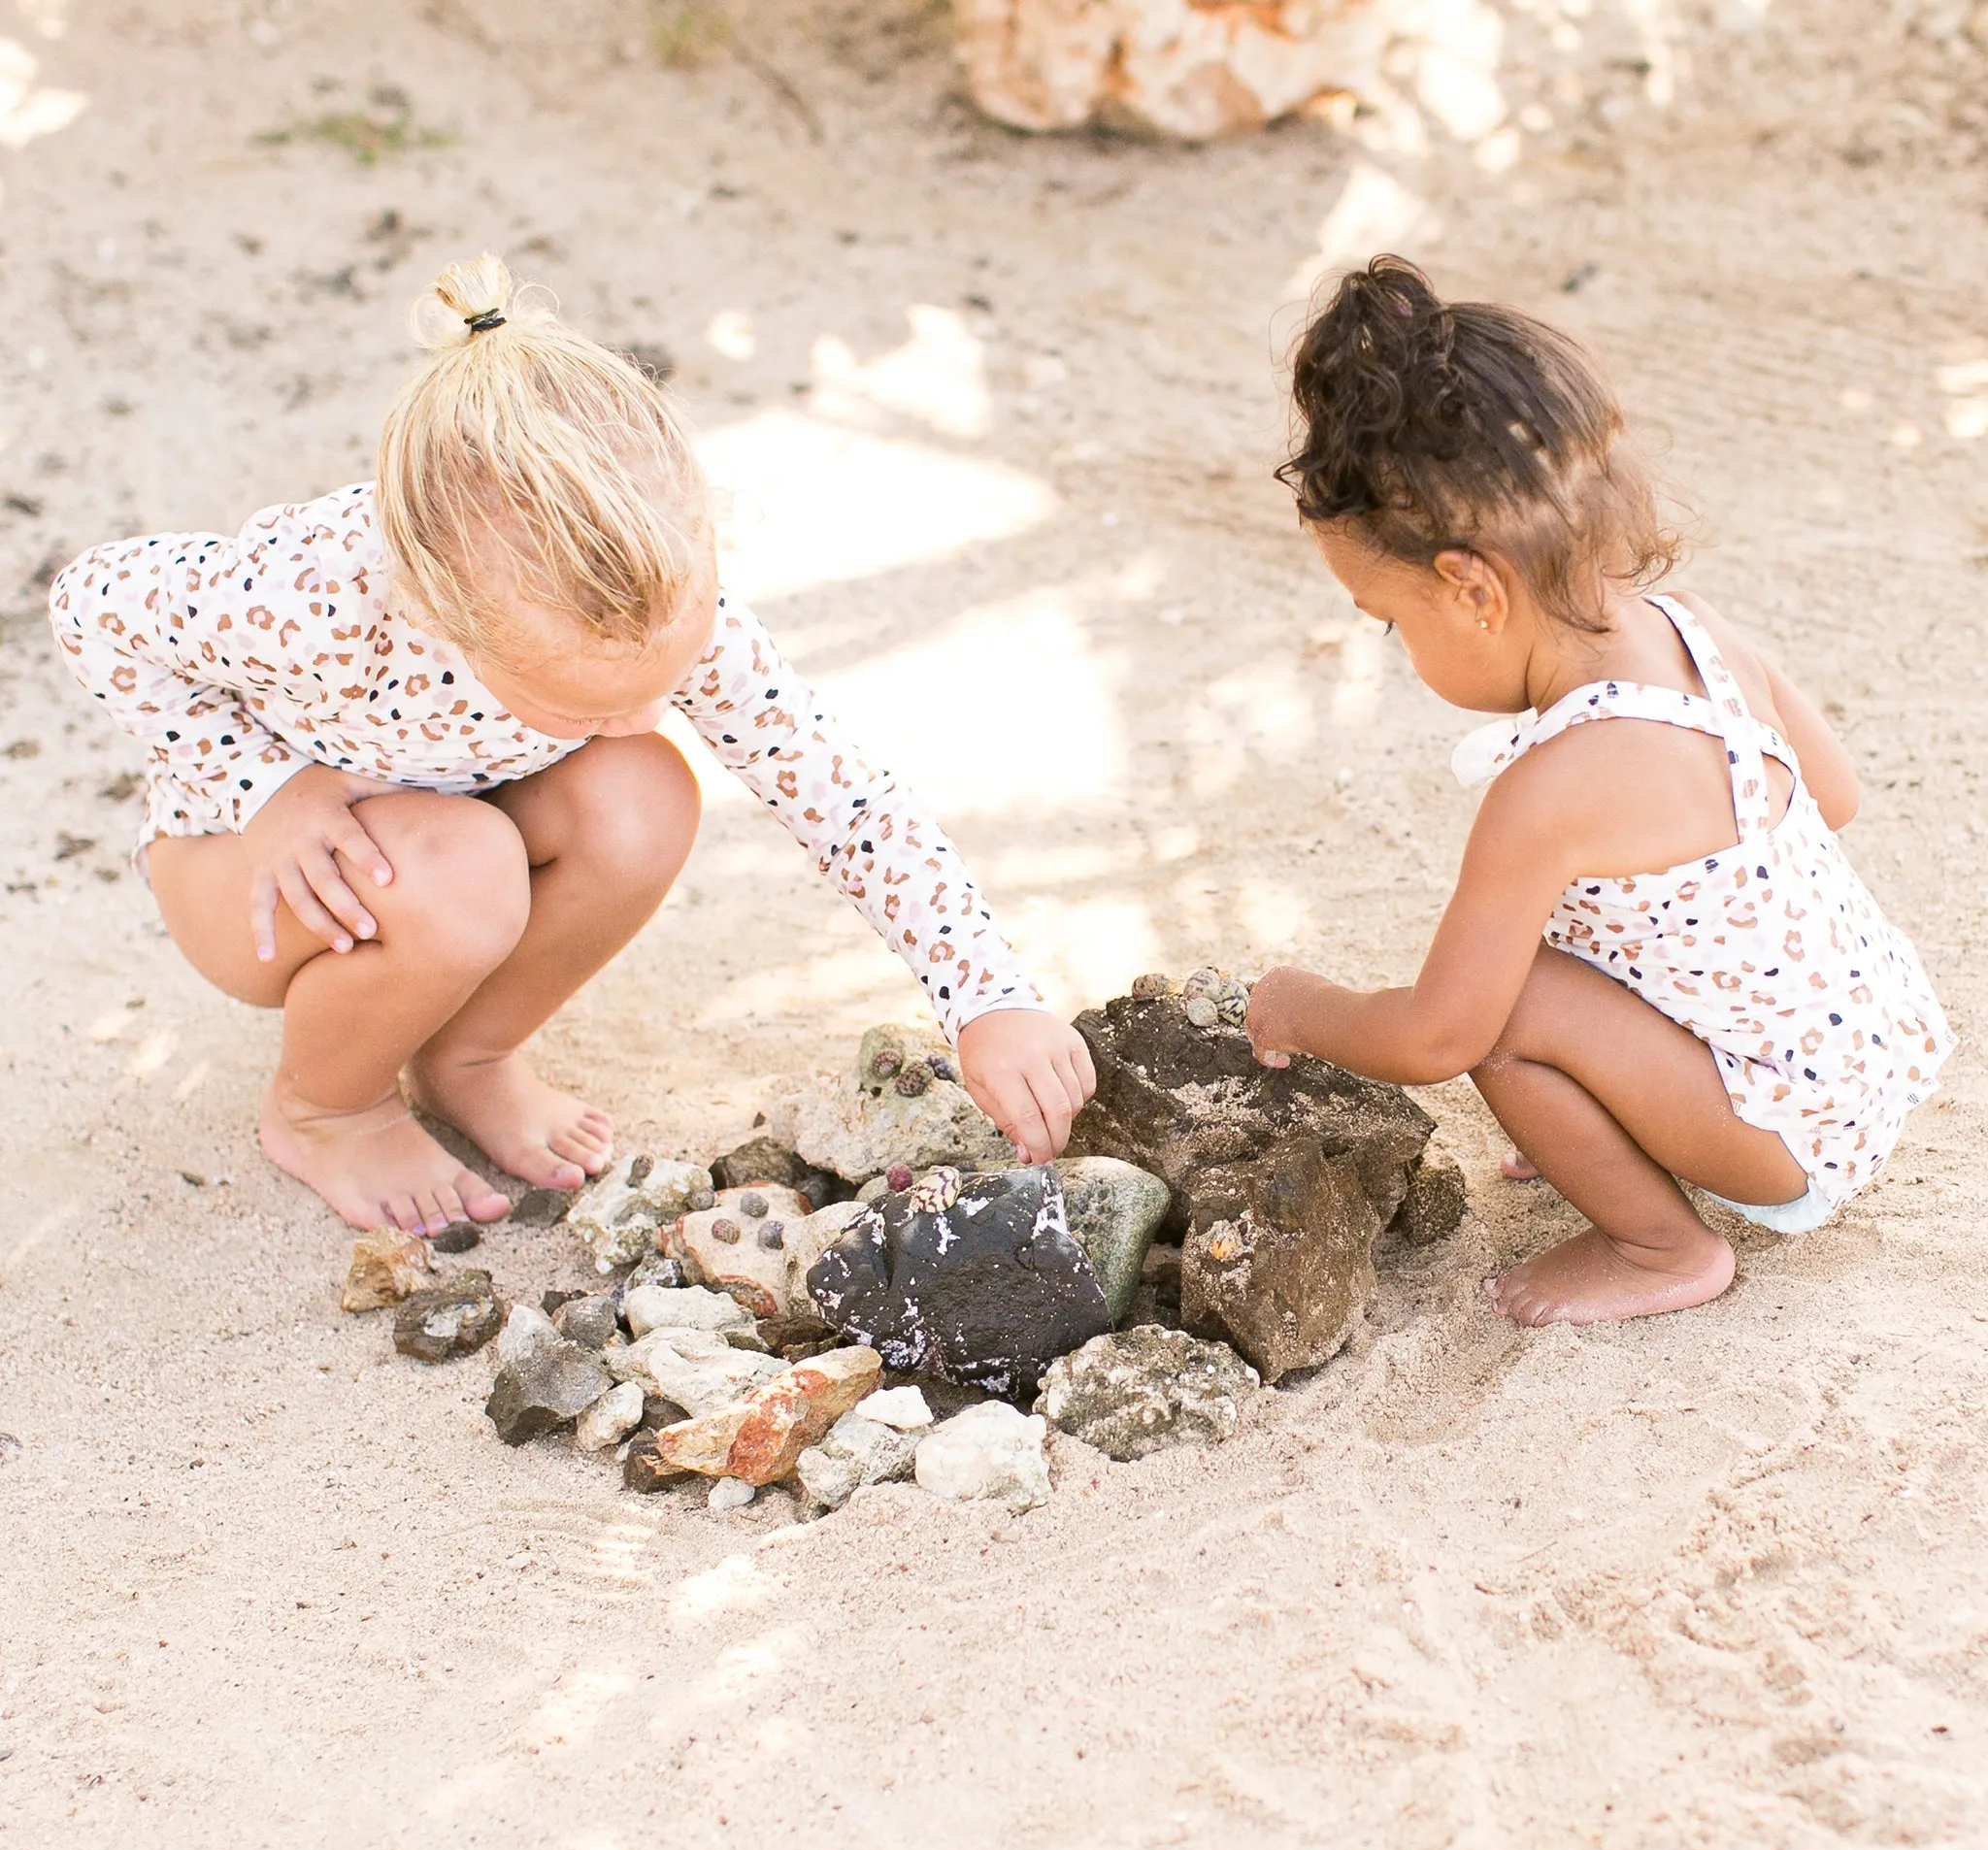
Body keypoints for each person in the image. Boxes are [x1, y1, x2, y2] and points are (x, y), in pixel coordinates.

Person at [53, 253, 1093, 1238]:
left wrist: (986, 997)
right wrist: (266, 787)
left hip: (439, 827)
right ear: (438, 613)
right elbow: (87, 602)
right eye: (582, 705)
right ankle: (327, 1106)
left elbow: (844, 799)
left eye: (659, 677)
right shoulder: (317, 590)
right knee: (467, 868)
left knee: (642, 792)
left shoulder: (666, 596)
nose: (627, 713)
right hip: (249, 870)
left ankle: (469, 1051)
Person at [1244, 256, 1954, 1326]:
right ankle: (1626, 1113)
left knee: (1507, 1004)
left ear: (1470, 590)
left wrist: (1303, 1004)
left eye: (1389, 620)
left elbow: (1436, 1037)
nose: (1395, 646)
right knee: (1580, 939)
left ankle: (1657, 1244)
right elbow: (1833, 795)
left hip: (1776, 1139)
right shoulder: (1693, 627)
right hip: (1867, 1055)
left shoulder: (1551, 788)